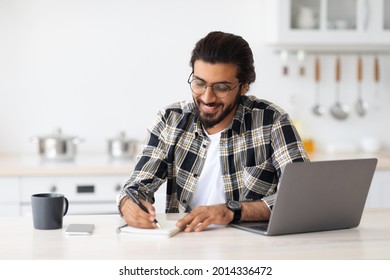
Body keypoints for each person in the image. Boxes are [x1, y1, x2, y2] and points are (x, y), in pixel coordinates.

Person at [117, 31, 309, 232]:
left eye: (221, 88)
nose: (207, 98)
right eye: (199, 83)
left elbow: (303, 196)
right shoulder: (170, 121)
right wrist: (128, 204)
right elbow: (136, 187)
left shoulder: (272, 121)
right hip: (185, 243)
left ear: (244, 87)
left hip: (251, 248)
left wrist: (233, 211)